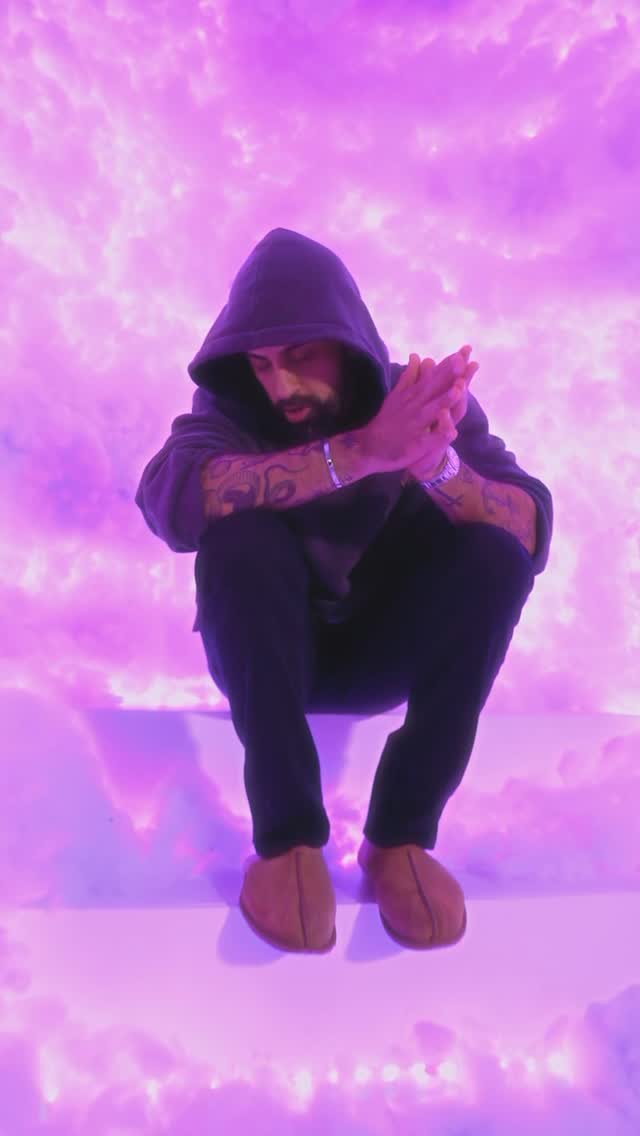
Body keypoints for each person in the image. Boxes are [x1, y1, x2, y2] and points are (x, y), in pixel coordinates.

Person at [135, 227, 553, 955]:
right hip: (270, 654)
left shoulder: (415, 402)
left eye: (302, 356)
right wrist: (360, 454)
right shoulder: (233, 410)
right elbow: (169, 496)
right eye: (262, 363)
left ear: (348, 341)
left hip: (385, 653)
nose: (280, 384)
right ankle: (288, 842)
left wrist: (433, 464)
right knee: (238, 533)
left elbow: (530, 525)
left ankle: (402, 838)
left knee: (493, 551)